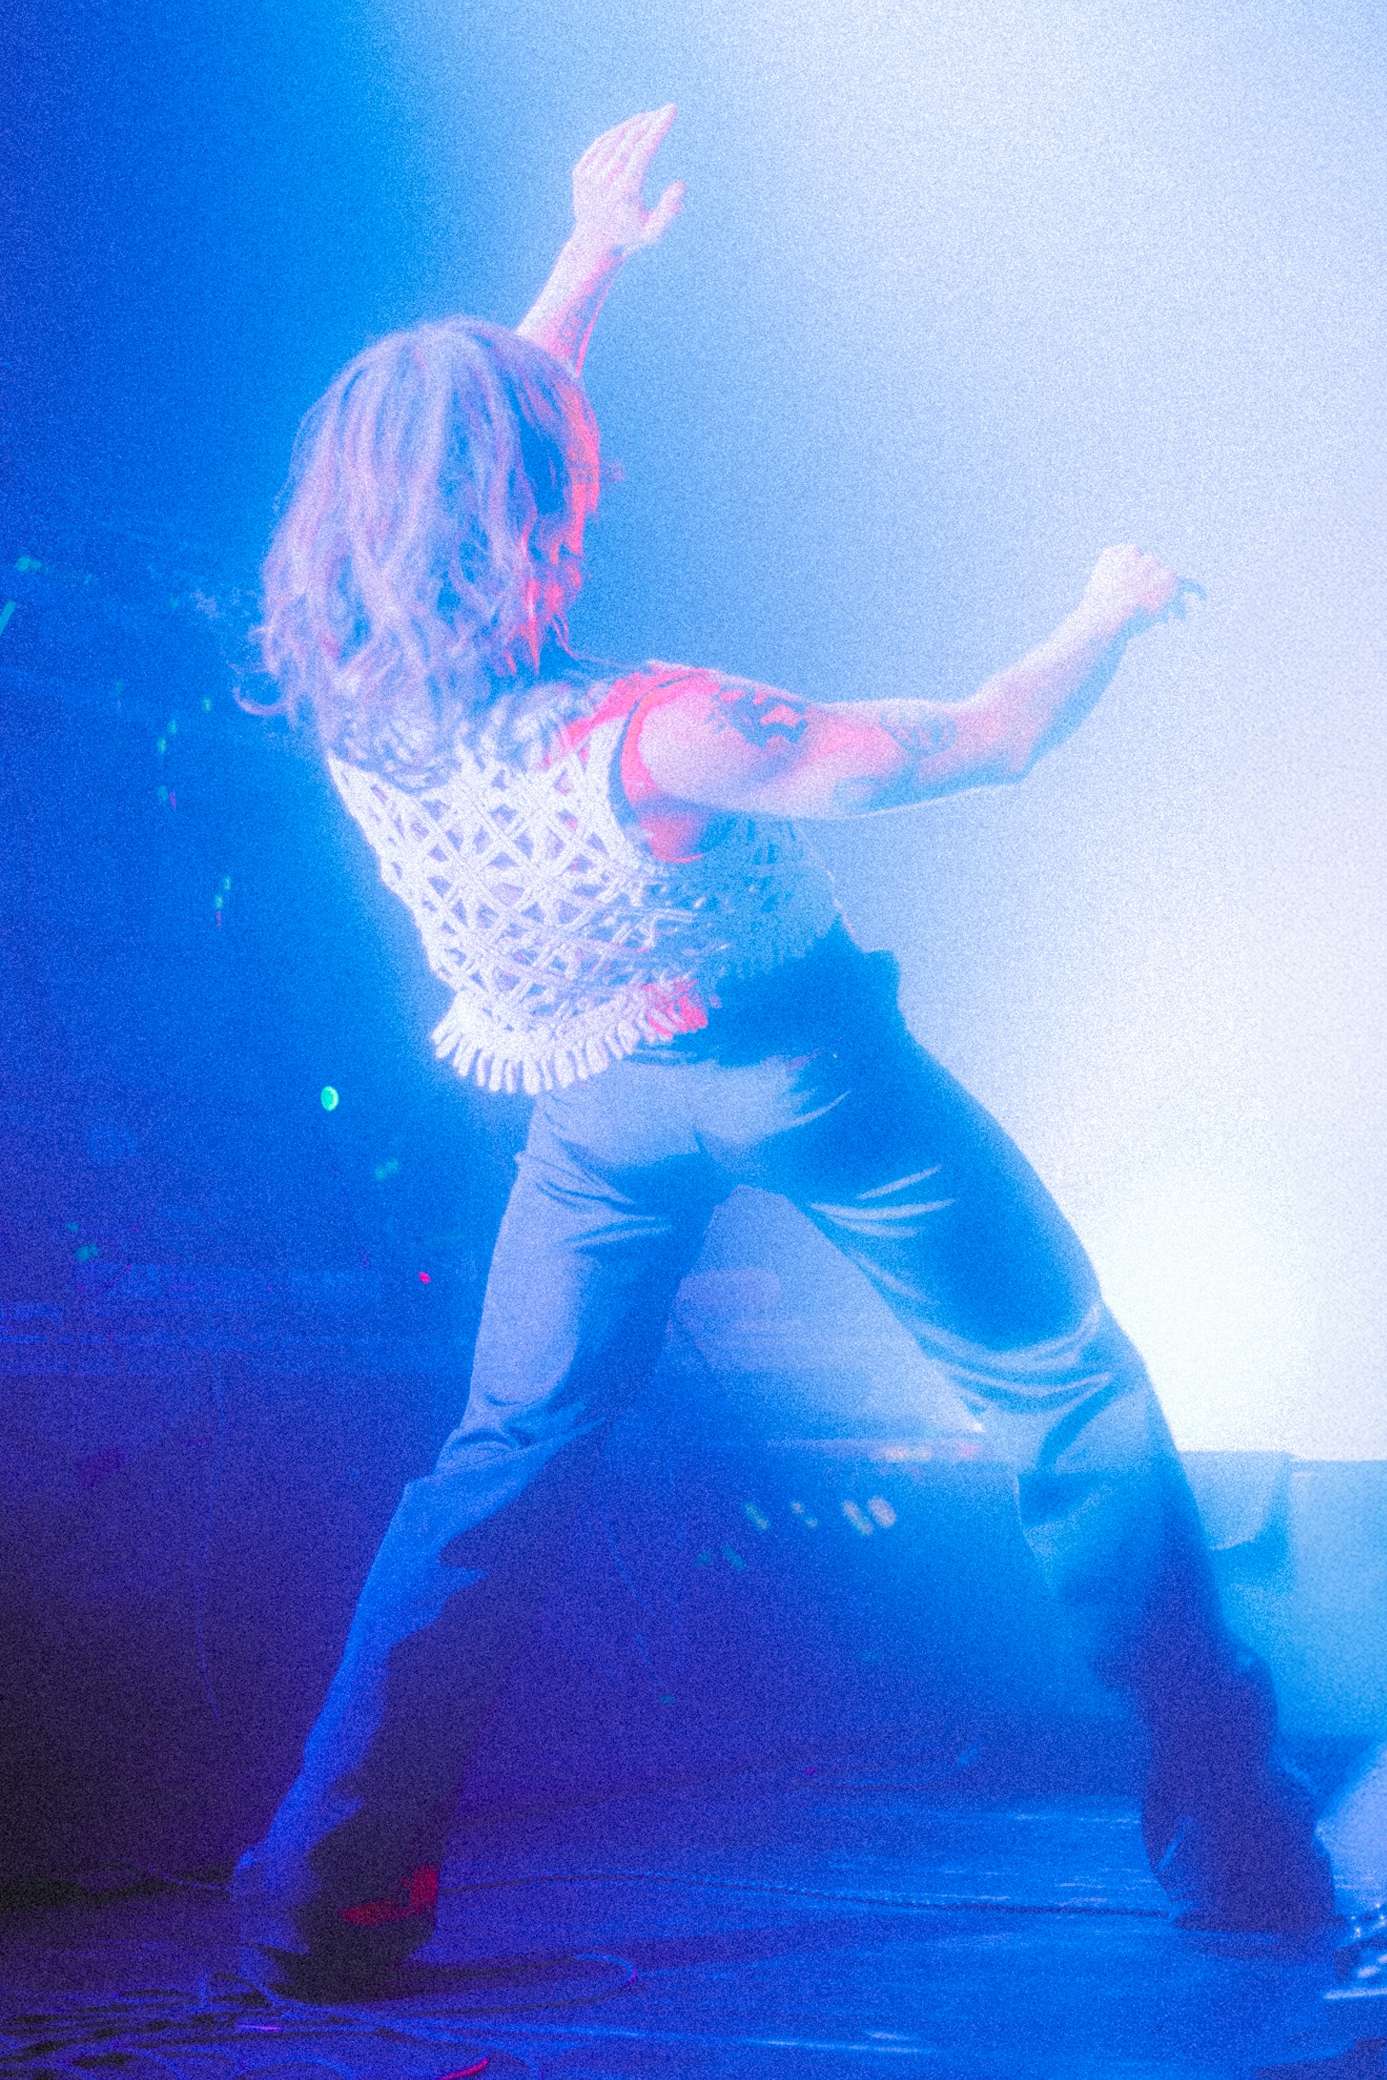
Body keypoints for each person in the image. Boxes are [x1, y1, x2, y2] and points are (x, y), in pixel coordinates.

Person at [235, 106, 1335, 1997]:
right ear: (525, 508)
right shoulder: (670, 733)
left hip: (588, 1105)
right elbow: (979, 742)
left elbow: (469, 458)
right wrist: (1112, 607)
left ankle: (321, 1898)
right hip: (806, 1076)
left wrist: (589, 252)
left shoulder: (358, 692)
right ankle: (1235, 1842)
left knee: (500, 1465)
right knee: (1063, 1387)